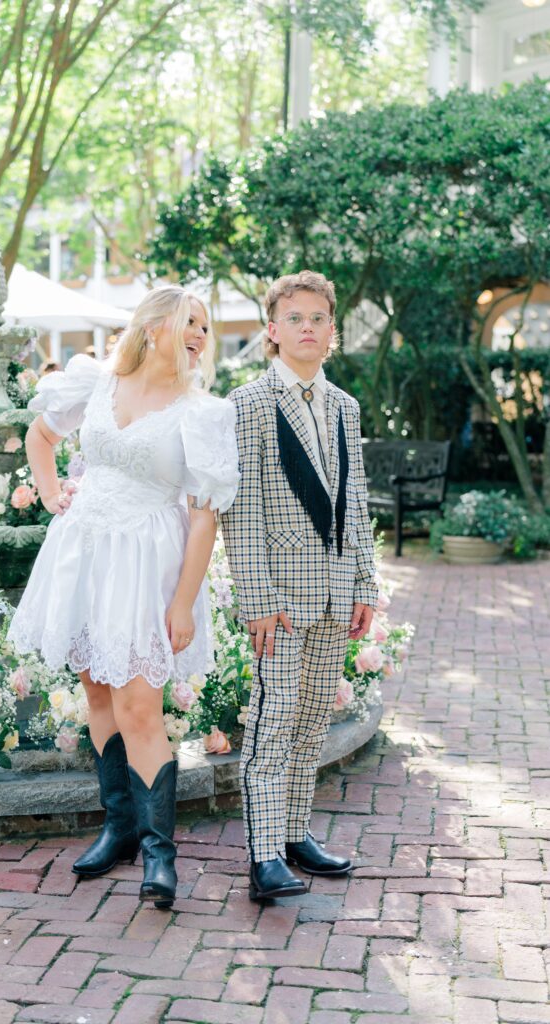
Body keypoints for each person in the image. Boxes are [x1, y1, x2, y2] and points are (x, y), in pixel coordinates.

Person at [8, 286, 239, 909]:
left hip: (149, 565)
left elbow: (204, 517)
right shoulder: (95, 382)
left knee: (141, 704)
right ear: (152, 325)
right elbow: (40, 436)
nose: (197, 334)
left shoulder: (201, 412)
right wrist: (53, 492)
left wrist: (184, 603)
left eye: (204, 326)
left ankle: (160, 854)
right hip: (84, 554)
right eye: (188, 321)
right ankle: (119, 827)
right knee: (99, 692)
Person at [221, 270, 377, 902]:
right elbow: (244, 509)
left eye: (319, 317)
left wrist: (365, 582)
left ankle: (294, 834)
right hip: (279, 602)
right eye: (295, 318)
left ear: (332, 331)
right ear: (273, 330)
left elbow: (356, 502)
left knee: (313, 717)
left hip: (336, 593)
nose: (307, 327)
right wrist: (255, 600)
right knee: (273, 717)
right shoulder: (249, 405)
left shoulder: (344, 406)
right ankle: (262, 857)